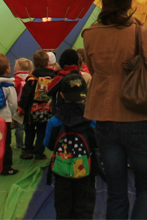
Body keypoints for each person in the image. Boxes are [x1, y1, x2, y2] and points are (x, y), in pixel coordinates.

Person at [82, 0, 147, 220]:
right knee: (146, 187)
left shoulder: (90, 34)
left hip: (104, 117)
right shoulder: (142, 33)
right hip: (137, 116)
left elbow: (94, 70)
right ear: (129, 2)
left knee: (116, 191)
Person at [45, 71, 99, 220]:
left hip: (62, 171)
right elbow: (98, 142)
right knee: (84, 210)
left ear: (62, 95)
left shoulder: (55, 121)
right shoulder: (92, 120)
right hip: (86, 170)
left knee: (63, 209)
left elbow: (49, 144)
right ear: (85, 94)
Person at [18, 50, 56, 161]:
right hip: (46, 109)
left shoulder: (31, 78)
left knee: (29, 130)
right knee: (42, 131)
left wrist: (21, 107)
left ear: (34, 63)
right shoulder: (53, 77)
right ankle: (39, 152)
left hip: (32, 110)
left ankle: (28, 151)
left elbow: (26, 94)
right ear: (47, 62)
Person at [0, 56, 20, 176]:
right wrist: (12, 114)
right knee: (6, 144)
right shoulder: (8, 86)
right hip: (5, 118)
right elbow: (13, 103)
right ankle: (6, 167)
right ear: (8, 69)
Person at [12, 58, 32, 149]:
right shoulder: (31, 78)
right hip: (29, 106)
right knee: (28, 127)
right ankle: (29, 144)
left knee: (19, 127)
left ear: (18, 67)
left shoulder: (15, 81)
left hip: (18, 106)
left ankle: (20, 144)